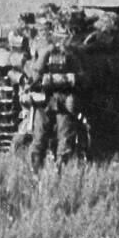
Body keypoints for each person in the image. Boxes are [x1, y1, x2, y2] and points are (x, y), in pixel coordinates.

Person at [24, 24, 86, 171]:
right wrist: (45, 54)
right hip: (44, 99)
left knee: (65, 137)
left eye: (64, 37)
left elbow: (81, 77)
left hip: (63, 99)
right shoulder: (43, 49)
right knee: (39, 137)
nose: (60, 41)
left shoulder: (72, 53)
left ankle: (60, 169)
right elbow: (34, 77)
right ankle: (36, 171)